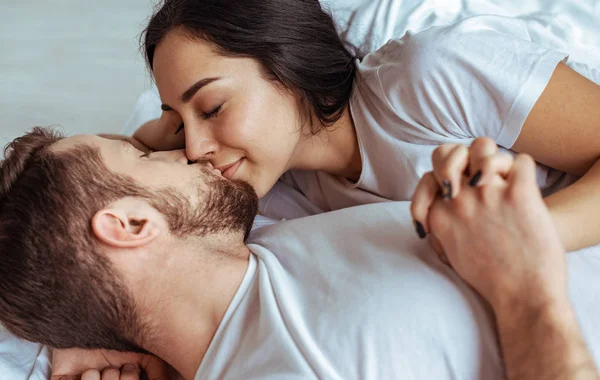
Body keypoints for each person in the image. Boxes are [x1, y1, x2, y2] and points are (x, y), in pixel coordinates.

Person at [0, 128, 598, 380]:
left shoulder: (275, 240)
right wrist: (525, 287)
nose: (180, 147)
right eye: (141, 156)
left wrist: (84, 328)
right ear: (131, 225)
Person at [132, 0, 600, 255]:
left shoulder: (430, 74)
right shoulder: (277, 201)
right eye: (177, 123)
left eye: (211, 108)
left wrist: (527, 240)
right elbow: (116, 159)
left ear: (287, 64)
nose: (193, 148)